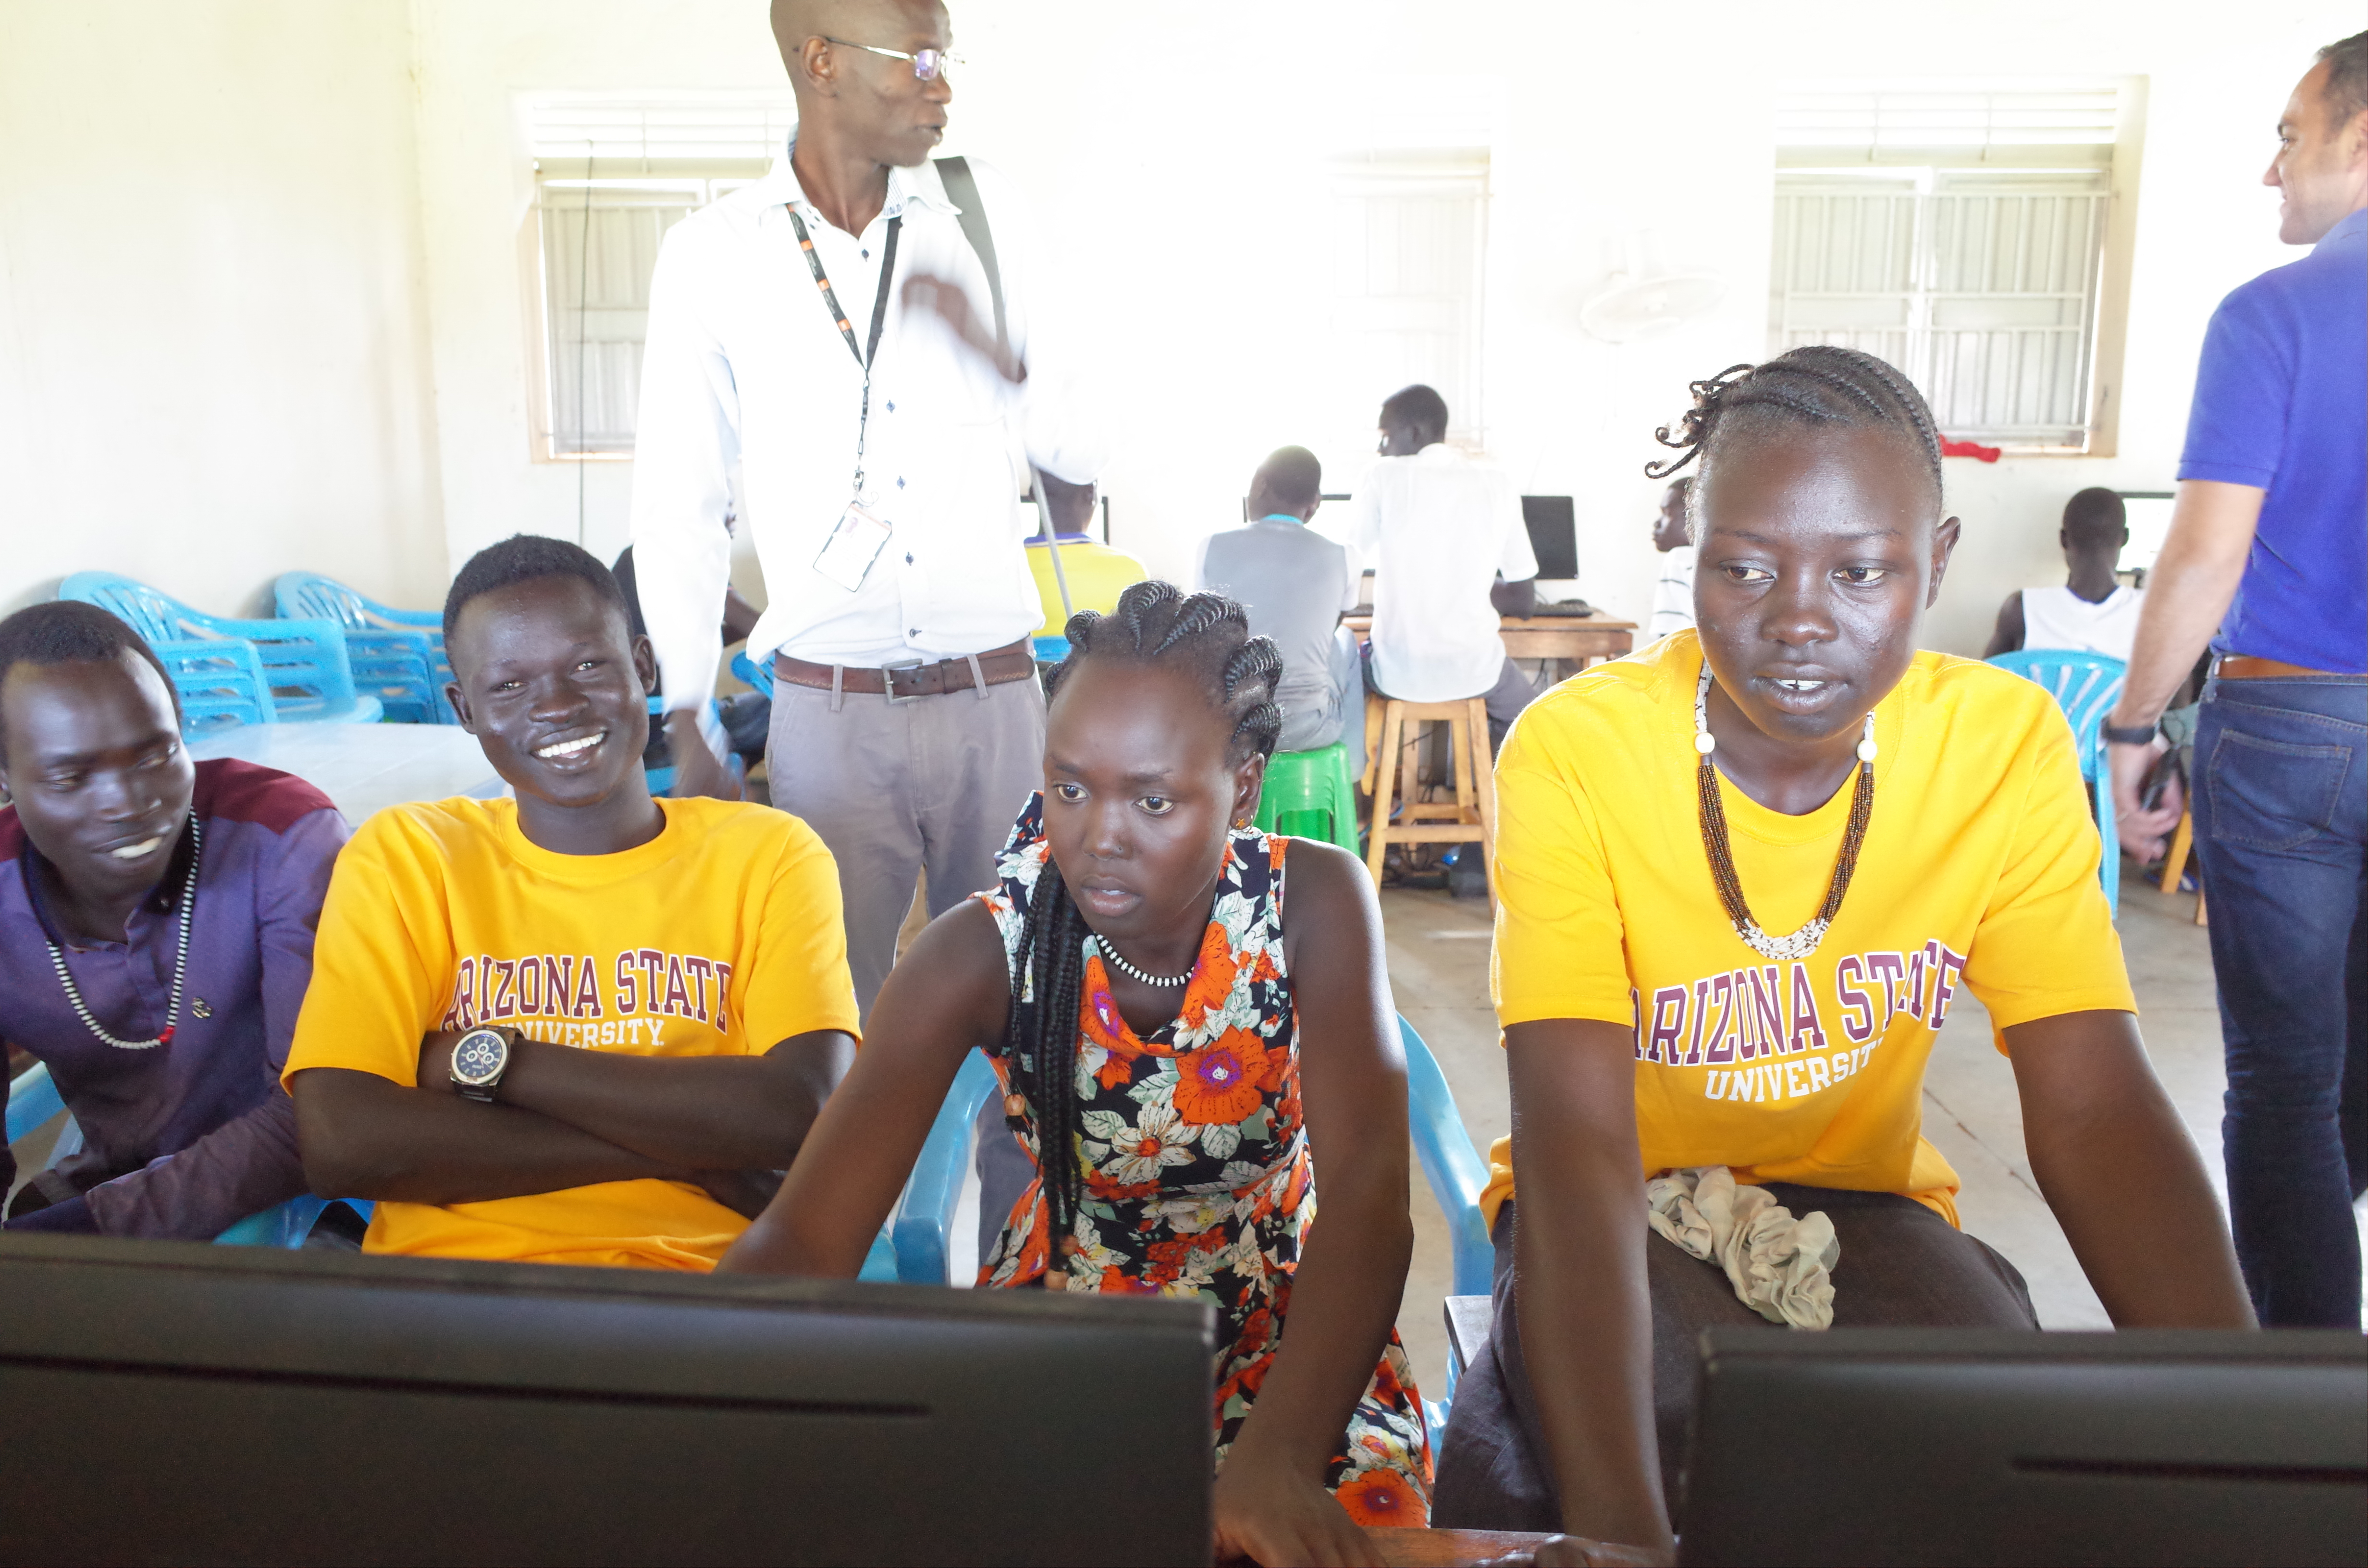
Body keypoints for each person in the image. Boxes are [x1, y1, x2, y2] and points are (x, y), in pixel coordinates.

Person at [1430, 348, 2255, 1563]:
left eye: (1863, 570)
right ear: (1688, 546)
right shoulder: (1579, 751)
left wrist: (2251, 1434)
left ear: (1940, 558)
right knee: (1690, 1438)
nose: (1802, 615)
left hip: (1867, 1206)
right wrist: (1619, 1533)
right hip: (1618, 1205)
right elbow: (1582, 1139)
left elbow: (2092, 1109)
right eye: (1745, 565)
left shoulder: (2000, 746)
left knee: (1982, 1448)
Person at [720, 582, 1431, 1564]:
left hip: (1297, 1325)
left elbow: (1369, 1199)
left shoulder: (1311, 901)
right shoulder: (979, 954)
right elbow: (808, 1230)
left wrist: (1275, 1459)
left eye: (1152, 799)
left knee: (1342, 1533)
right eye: (1069, 787)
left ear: (1246, 782)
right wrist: (694, 1387)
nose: (1099, 835)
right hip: (1074, 1326)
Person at [628, 0, 1105, 1025]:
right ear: (822, 62)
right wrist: (683, 708)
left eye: (948, 57)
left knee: (1031, 1010)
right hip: (826, 715)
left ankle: (1020, 1192)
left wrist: (997, 357)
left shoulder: (983, 216)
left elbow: (1079, 457)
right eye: (920, 58)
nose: (943, 82)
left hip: (997, 703)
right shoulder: (713, 253)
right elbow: (681, 497)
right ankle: (875, 1198)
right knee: (832, 1023)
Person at [283, 537, 859, 1269]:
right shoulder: (408, 855)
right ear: (464, 708)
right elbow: (343, 1144)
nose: (556, 706)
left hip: (701, 1291)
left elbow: (797, 1112)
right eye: (509, 686)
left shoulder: (769, 853)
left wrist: (484, 1064)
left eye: (587, 665)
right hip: (449, 1295)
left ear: (642, 667)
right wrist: (699, 1158)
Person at [2104, 32, 2368, 1330]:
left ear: (2361, 140)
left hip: (2294, 728)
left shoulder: (2274, 317)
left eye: (2291, 135)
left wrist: (2134, 728)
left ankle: (2315, 1406)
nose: (2274, 170)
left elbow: (2205, 552)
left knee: (2282, 1078)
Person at [0, 602, 346, 1239]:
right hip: (113, 1176)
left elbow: (317, 1115)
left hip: (312, 1193)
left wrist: (87, 1229)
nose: (131, 805)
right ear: (7, 780)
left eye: (155, 756)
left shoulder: (282, 837)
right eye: (71, 777)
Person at [1347, 384, 1541, 746]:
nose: (1380, 449)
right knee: (1530, 722)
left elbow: (1348, 562)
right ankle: (1492, 798)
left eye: (1385, 437)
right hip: (1476, 670)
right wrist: (1465, 586)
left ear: (1415, 433)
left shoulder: (1382, 476)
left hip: (1396, 675)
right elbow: (1524, 601)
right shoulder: (1497, 482)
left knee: (1343, 667)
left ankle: (1367, 793)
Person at [1196, 446, 1361, 754]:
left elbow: (1207, 628)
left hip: (1236, 726)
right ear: (1315, 504)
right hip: (1309, 728)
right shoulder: (1345, 555)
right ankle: (1352, 779)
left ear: (1259, 485)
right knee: (1346, 640)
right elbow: (1335, 624)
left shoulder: (1211, 545)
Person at [609, 530, 769, 774]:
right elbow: (752, 623)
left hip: (625, 735)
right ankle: (727, 780)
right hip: (671, 735)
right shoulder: (690, 561)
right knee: (784, 709)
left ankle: (730, 780)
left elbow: (673, 641)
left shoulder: (633, 557)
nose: (733, 516)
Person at [1982, 488, 2144, 660]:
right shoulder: (2150, 611)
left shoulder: (2020, 608)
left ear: (2063, 539)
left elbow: (1983, 678)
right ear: (2125, 537)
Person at [1645, 478, 1695, 643]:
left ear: (1695, 519)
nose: (1657, 523)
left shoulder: (1680, 559)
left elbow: (1670, 642)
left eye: (1667, 514)